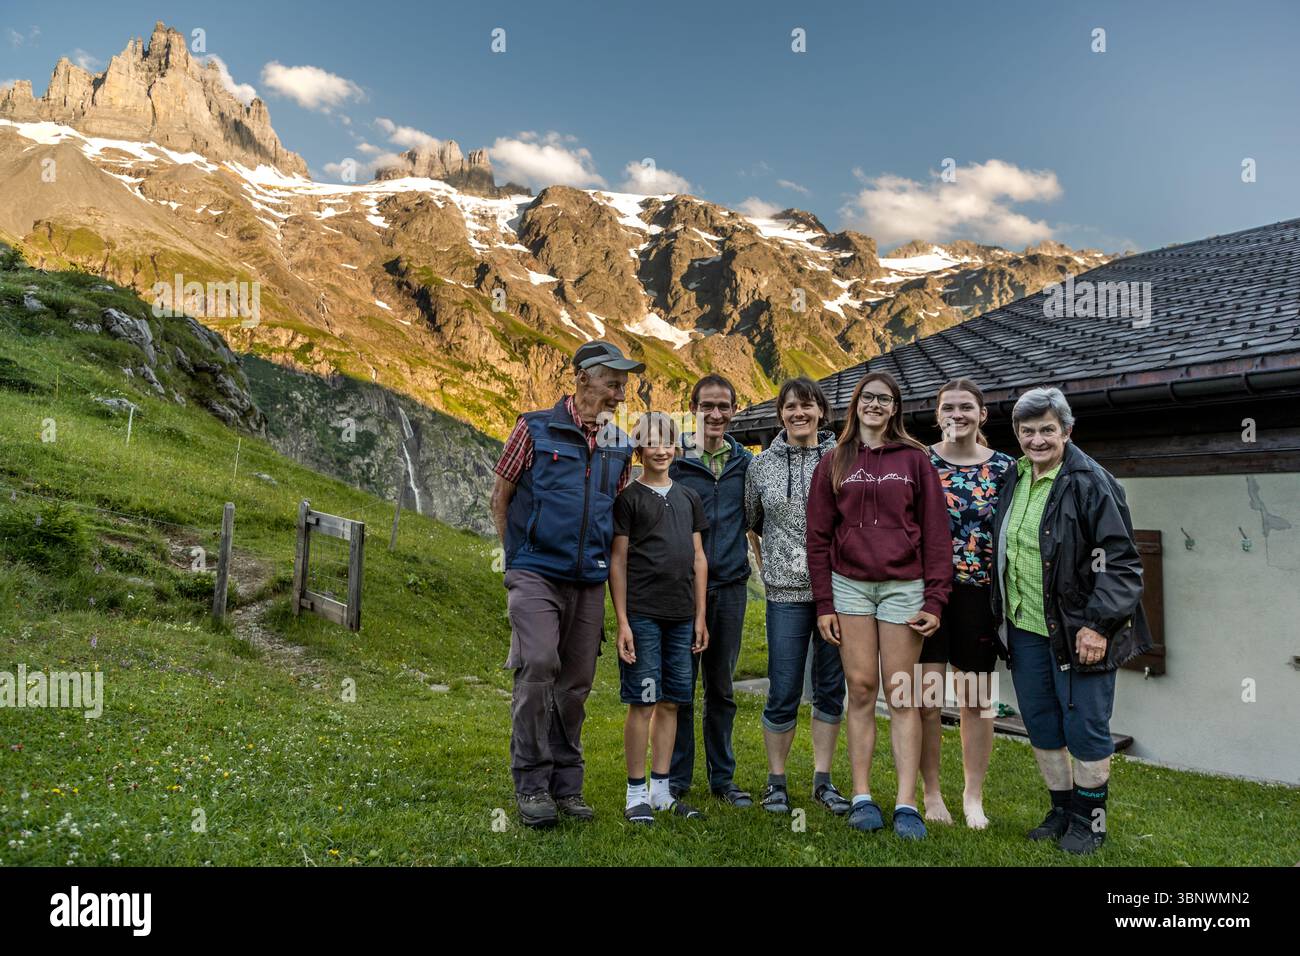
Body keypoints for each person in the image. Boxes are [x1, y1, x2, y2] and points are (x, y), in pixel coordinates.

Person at [489, 340, 644, 828]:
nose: (621, 393)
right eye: (613, 383)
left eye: (624, 385)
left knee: (575, 685)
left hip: (588, 580)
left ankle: (566, 786)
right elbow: (501, 495)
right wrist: (515, 558)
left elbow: (615, 513)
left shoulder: (619, 446)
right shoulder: (533, 428)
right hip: (536, 572)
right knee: (537, 666)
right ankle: (531, 783)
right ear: (582, 377)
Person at [990, 386, 1151, 855]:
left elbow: (1121, 562)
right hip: (1025, 630)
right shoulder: (1014, 478)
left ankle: (1090, 821)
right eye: (1027, 431)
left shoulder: (1090, 482)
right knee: (1041, 723)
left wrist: (1098, 625)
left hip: (1080, 632)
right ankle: (1061, 811)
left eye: (1046, 430)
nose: (1037, 440)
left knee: (1086, 728)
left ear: (1066, 431)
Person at [806, 371, 951, 840]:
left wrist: (935, 597)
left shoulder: (915, 460)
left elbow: (936, 533)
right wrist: (824, 602)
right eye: (867, 397)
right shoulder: (834, 459)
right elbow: (818, 538)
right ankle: (864, 796)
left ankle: (907, 804)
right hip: (849, 586)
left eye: (884, 400)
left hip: (903, 587)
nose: (874, 405)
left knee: (902, 692)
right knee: (862, 687)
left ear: (895, 409)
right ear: (855, 404)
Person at [744, 377, 851, 817]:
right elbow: (752, 522)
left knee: (830, 688)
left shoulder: (843, 459)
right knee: (783, 688)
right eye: (790, 407)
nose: (798, 413)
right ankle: (776, 782)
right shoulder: (761, 466)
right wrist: (769, 566)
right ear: (780, 414)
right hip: (785, 596)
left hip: (837, 594)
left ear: (821, 412)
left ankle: (822, 781)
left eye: (807, 405)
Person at [918, 379, 1015, 829]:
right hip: (927, 596)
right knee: (925, 699)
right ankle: (931, 793)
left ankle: (973, 796)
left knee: (977, 701)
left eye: (966, 408)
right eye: (947, 408)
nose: (957, 415)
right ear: (936, 414)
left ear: (982, 415)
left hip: (980, 596)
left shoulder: (1005, 468)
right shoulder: (919, 461)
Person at [610, 412, 710, 824]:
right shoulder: (629, 499)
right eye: (651, 442)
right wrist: (622, 622)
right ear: (639, 449)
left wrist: (700, 615)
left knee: (671, 701)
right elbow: (617, 561)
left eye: (667, 441)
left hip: (682, 616)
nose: (660, 449)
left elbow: (700, 558)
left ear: (676, 447)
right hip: (643, 615)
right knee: (643, 701)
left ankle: (662, 791)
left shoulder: (688, 498)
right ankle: (636, 794)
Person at [668, 374, 756, 807]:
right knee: (681, 687)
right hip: (682, 591)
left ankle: (723, 780)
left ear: (734, 410)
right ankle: (677, 780)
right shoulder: (675, 462)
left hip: (731, 587)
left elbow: (759, 519)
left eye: (724, 406)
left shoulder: (746, 465)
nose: (716, 414)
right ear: (694, 409)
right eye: (708, 406)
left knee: (721, 689)